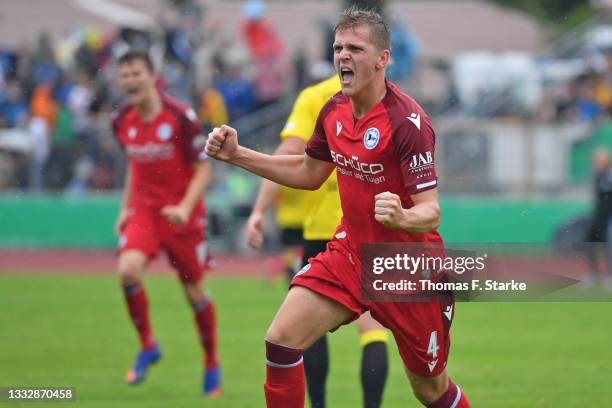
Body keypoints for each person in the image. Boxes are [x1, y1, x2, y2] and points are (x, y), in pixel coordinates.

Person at [206, 7, 470, 408]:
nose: (343, 56)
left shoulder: (408, 122)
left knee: (430, 390)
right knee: (280, 341)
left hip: (407, 267)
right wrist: (238, 155)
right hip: (349, 255)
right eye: (338, 48)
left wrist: (402, 217)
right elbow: (309, 172)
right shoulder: (332, 110)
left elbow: (431, 212)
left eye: (355, 49)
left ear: (383, 59)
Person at [245, 73, 389, 408]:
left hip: (324, 230)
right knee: (373, 329)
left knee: (304, 329)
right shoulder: (390, 100)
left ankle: (320, 404)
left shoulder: (315, 97)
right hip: (372, 229)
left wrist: (259, 209)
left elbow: (290, 153)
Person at [111, 50, 221, 396]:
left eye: (136, 73)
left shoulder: (180, 117)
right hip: (144, 212)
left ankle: (211, 361)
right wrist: (124, 208)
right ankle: (148, 345)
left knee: (194, 294)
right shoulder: (122, 119)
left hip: (181, 216)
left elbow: (204, 168)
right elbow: (134, 164)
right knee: (128, 271)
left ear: (152, 76)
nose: (130, 81)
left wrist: (186, 208)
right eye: (125, 75)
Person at [584, 147, 612, 288]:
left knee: (609, 246)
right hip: (599, 215)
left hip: (609, 217)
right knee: (589, 241)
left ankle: (610, 276)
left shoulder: (609, 175)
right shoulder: (597, 176)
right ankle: (593, 274)